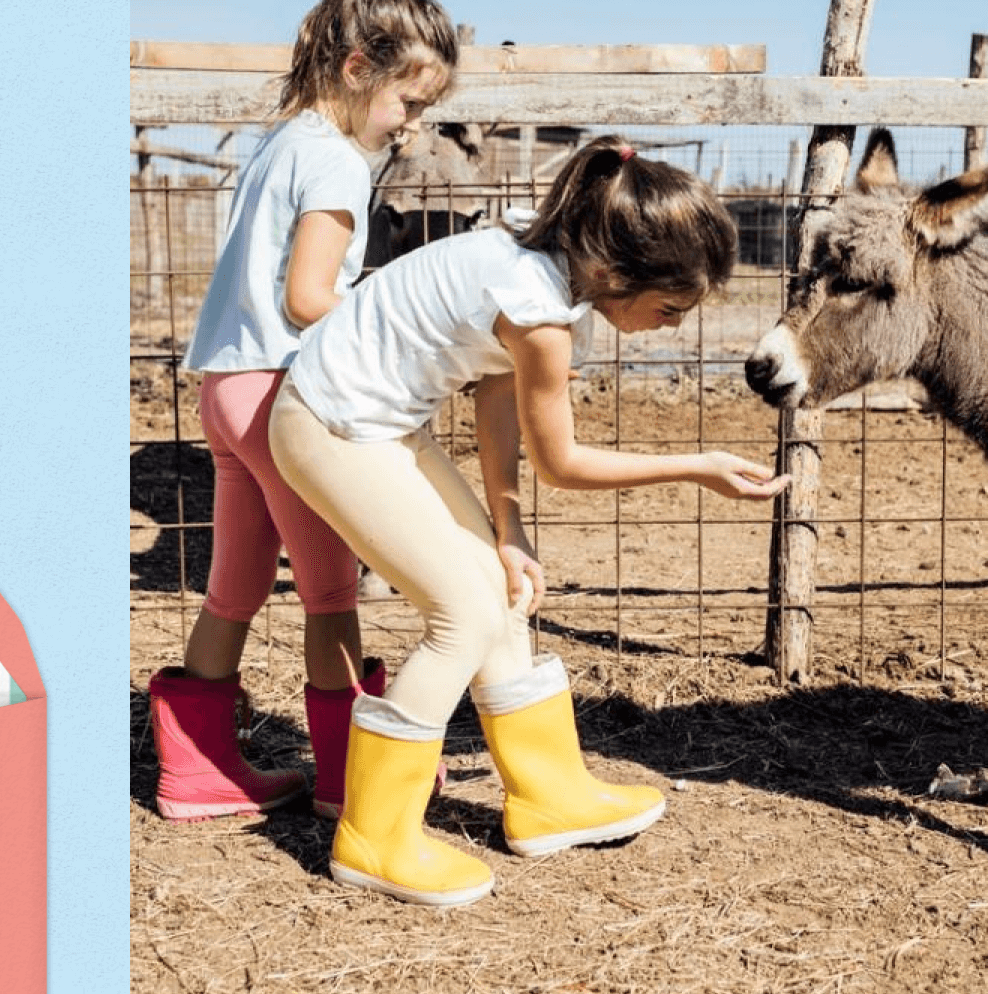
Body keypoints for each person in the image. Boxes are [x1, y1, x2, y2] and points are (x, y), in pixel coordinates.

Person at [268, 136, 790, 904]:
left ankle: (548, 799)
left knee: (502, 590)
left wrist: (507, 529)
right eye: (671, 308)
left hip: (379, 422)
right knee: (462, 613)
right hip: (331, 424)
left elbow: (491, 389)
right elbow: (564, 463)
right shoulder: (543, 311)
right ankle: (373, 837)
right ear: (616, 274)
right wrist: (697, 465)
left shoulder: (544, 263)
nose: (674, 326)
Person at [148, 0, 459, 821]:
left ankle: (198, 771)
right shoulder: (337, 165)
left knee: (232, 590)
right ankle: (349, 779)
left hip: (225, 388)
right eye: (410, 102)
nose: (412, 125)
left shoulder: (279, 144)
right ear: (360, 70)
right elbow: (309, 298)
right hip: (285, 399)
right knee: (331, 597)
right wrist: (395, 306)